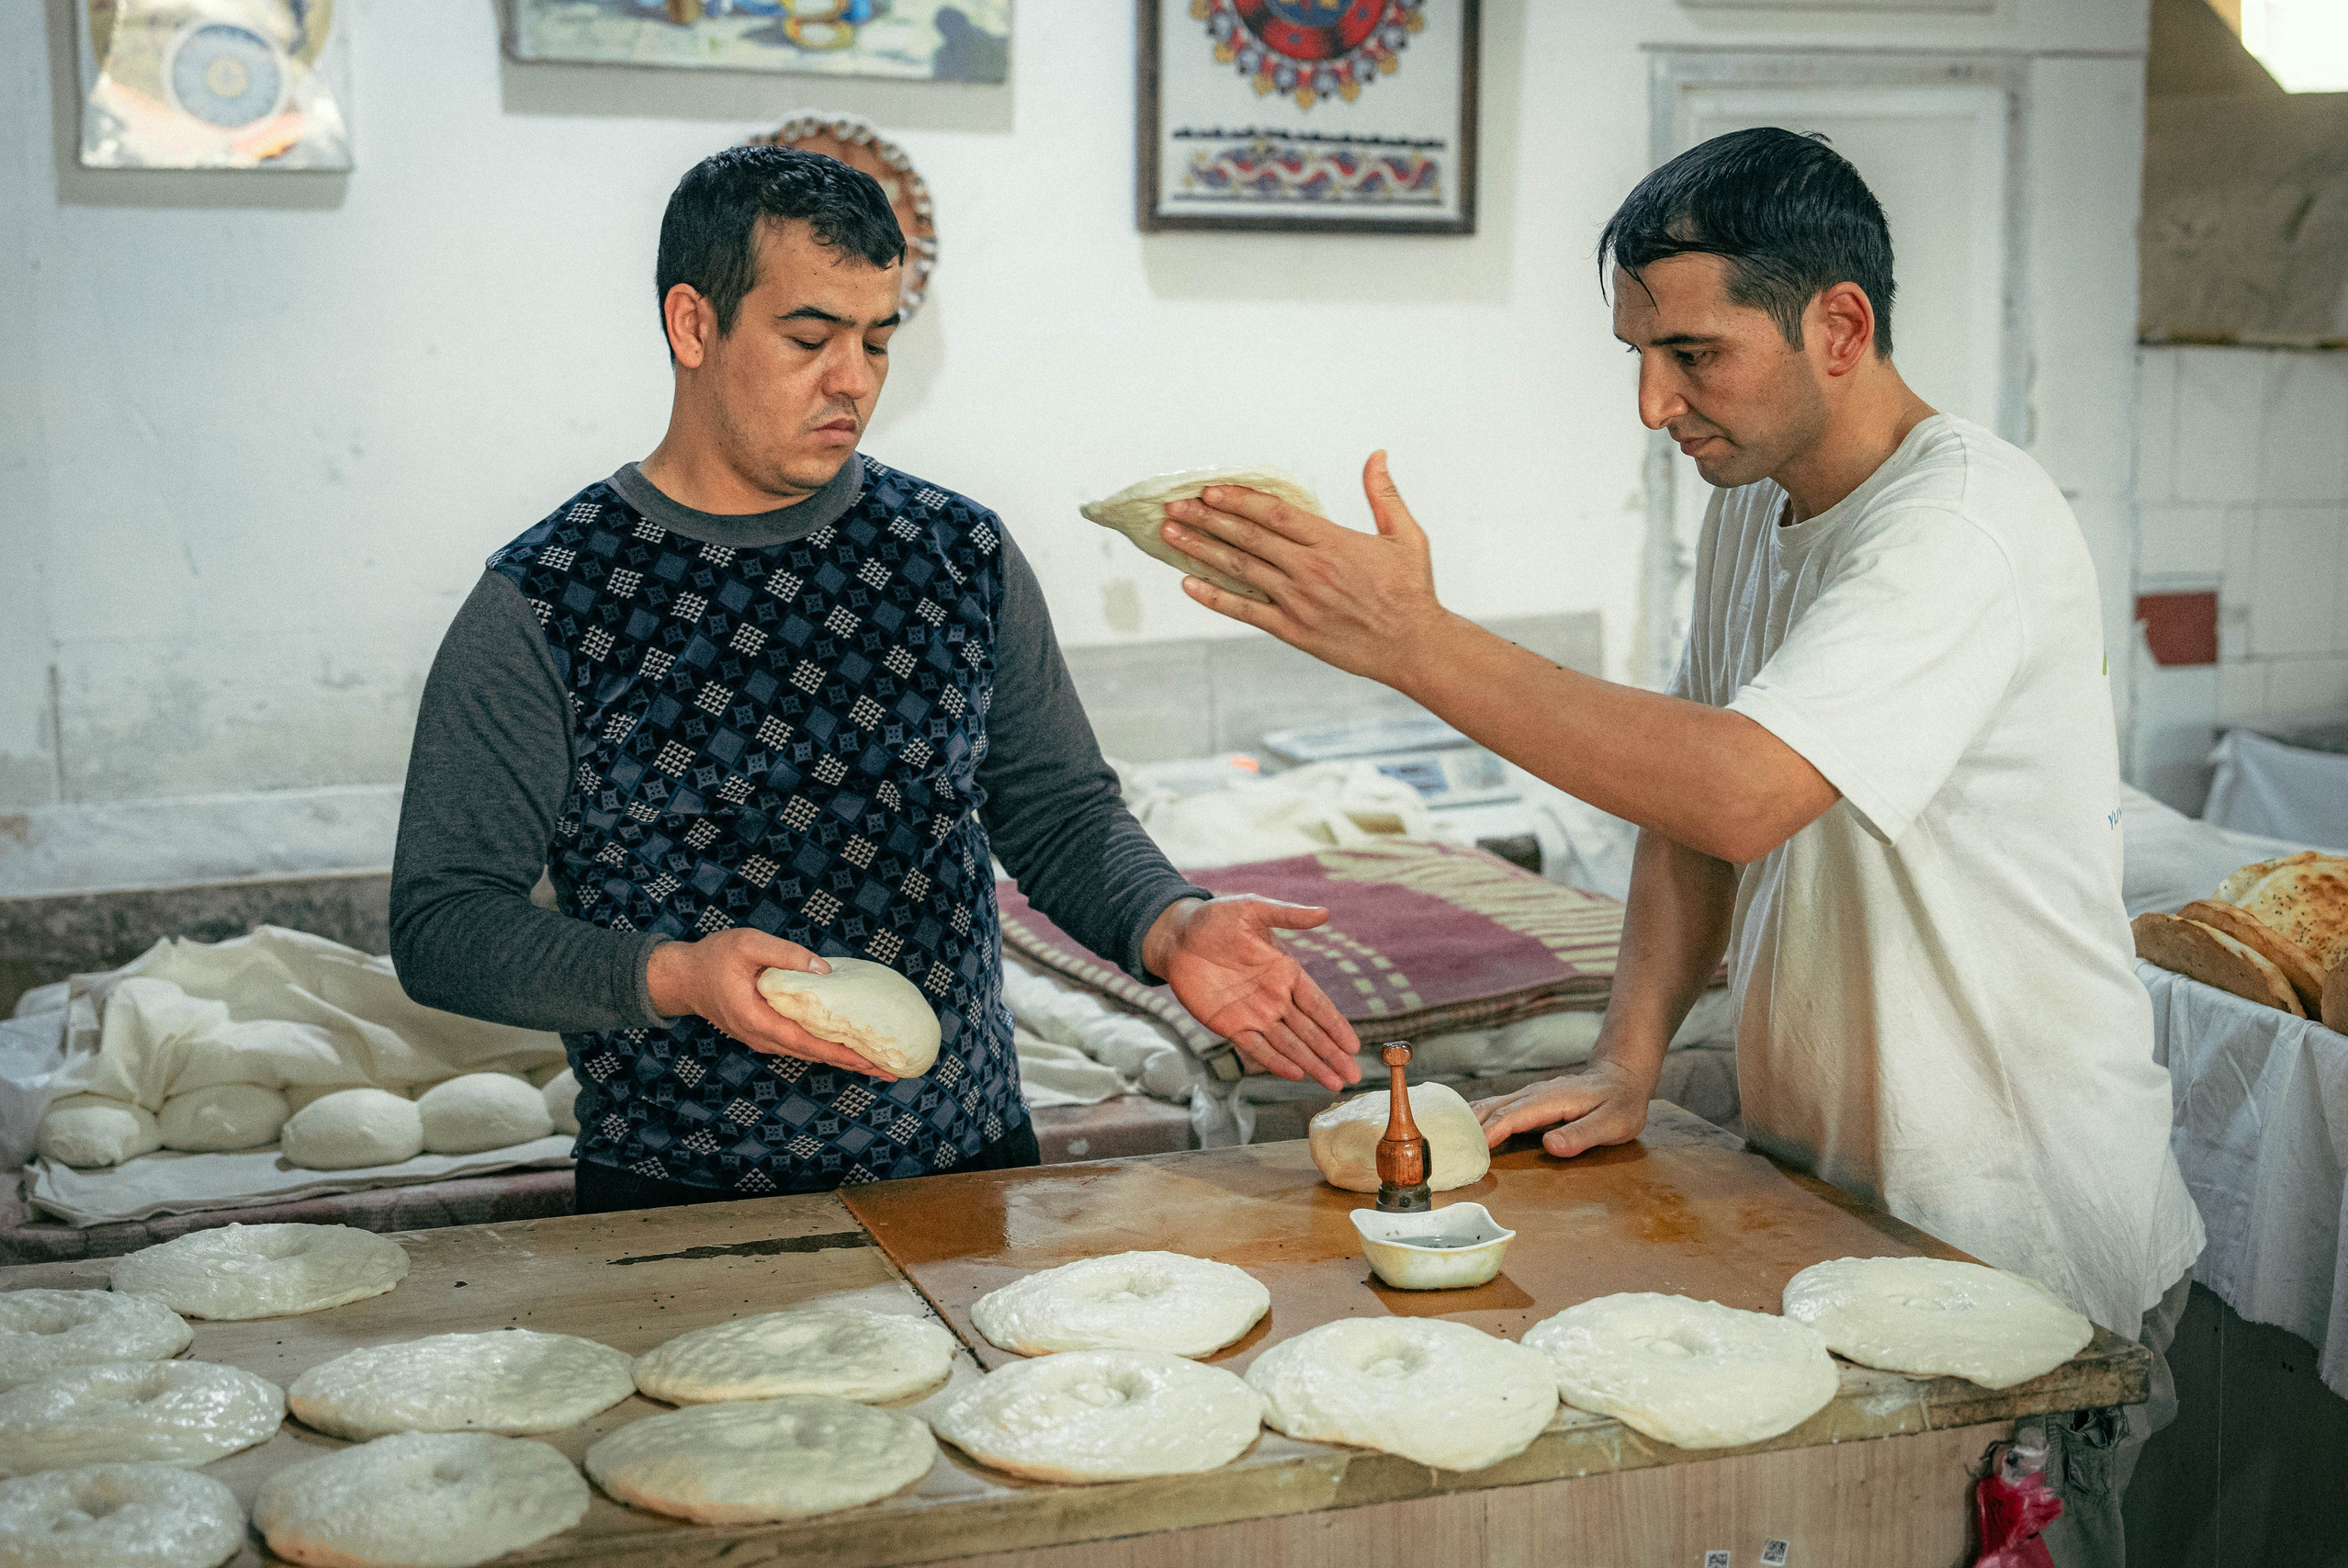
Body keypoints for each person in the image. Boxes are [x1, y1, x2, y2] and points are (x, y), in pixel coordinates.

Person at [1150, 128, 2200, 1566]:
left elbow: (1739, 791)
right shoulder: (1758, 514)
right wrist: (1628, 1053)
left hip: (2011, 1219)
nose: (1655, 403)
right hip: (1838, 1194)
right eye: (1640, 352)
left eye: (1695, 353)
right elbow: (1683, 812)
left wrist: (1415, 641)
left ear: (1840, 324)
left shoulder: (1962, 524)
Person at [389, 145, 1361, 1213]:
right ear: (693, 325)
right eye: (809, 337)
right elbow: (444, 926)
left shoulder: (953, 553)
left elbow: (1058, 810)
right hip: (677, 1194)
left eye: (877, 340)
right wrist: (675, 976)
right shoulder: (551, 597)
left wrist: (1168, 922)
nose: (851, 378)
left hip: (967, 1165)